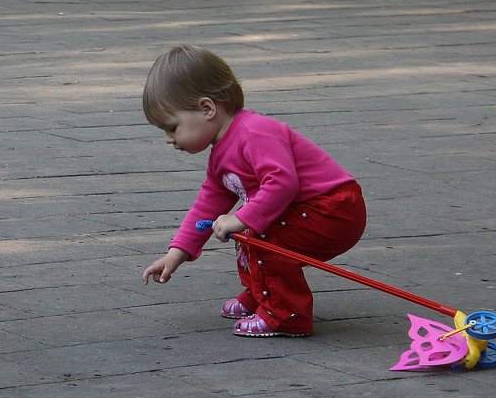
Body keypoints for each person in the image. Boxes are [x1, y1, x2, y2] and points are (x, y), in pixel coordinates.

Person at [139, 45, 367, 338]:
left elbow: (282, 183)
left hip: (334, 209)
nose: (169, 140)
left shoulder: (254, 133)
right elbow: (206, 205)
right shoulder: (220, 153)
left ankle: (286, 316)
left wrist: (241, 218)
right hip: (311, 209)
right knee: (251, 231)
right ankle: (264, 295)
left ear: (207, 109)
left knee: (260, 234)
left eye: (172, 128)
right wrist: (176, 253)